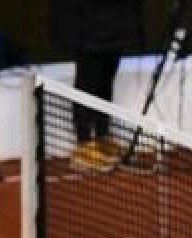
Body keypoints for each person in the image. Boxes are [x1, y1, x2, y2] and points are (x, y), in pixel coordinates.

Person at [48, 0, 144, 171]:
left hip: (113, 21)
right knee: (87, 80)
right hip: (85, 22)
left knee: (106, 77)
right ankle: (83, 144)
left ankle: (102, 138)